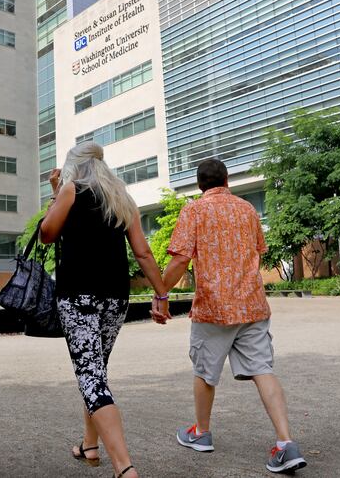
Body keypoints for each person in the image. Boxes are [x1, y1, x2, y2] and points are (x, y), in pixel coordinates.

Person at [152, 159, 307, 474]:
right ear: (227, 180)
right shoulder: (248, 210)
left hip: (214, 307)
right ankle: (285, 443)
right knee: (263, 370)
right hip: (252, 305)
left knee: (205, 372)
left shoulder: (194, 210)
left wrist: (161, 294)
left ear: (200, 185)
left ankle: (201, 432)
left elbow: (181, 259)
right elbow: (258, 250)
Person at [40, 142, 169, 478]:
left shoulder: (71, 190)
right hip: (115, 297)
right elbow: (143, 253)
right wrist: (162, 293)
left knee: (91, 376)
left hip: (79, 296)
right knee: (96, 372)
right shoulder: (122, 198)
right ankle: (89, 445)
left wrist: (56, 193)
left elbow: (46, 233)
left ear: (74, 166)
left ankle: (125, 468)